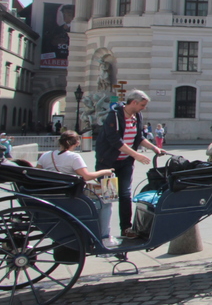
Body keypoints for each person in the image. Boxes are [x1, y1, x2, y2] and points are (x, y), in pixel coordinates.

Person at [96, 90, 161, 240]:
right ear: (134, 102)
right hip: (108, 163)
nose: (143, 108)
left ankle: (126, 228)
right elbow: (115, 141)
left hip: (125, 162)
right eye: (142, 105)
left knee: (125, 194)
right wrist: (136, 154)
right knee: (108, 196)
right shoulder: (114, 116)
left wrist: (153, 147)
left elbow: (139, 137)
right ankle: (103, 232)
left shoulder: (137, 116)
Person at [38, 130, 118, 247]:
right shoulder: (74, 157)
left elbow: (37, 173)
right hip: (69, 198)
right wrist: (104, 171)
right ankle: (104, 237)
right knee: (105, 203)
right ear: (76, 143)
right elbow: (86, 176)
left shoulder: (45, 156)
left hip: (51, 196)